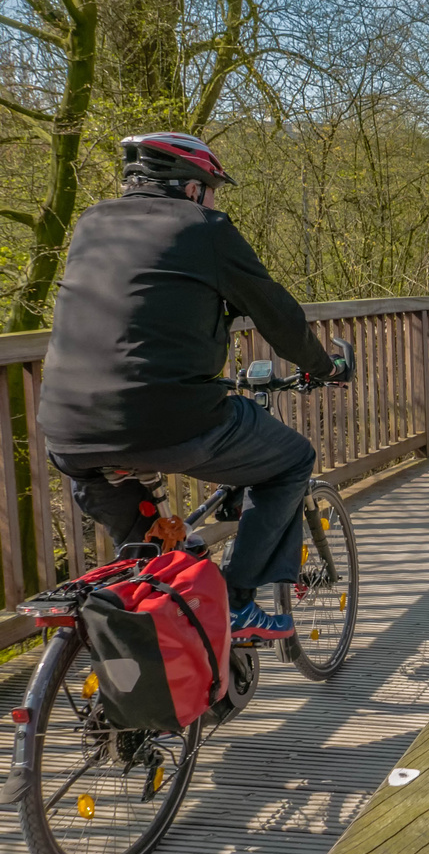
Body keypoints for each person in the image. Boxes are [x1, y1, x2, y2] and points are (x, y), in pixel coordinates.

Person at [39, 132, 351, 642]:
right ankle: (237, 603)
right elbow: (277, 316)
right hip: (169, 419)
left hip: (68, 432)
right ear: (191, 189)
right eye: (213, 190)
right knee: (292, 460)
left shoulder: (91, 226)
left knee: (151, 569)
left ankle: (150, 674)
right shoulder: (206, 228)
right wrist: (326, 365)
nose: (215, 200)